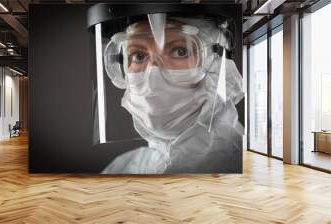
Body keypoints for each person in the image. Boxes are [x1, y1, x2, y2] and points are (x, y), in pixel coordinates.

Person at [100, 13, 244, 174]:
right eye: (138, 55)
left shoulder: (246, 169)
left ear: (219, 64)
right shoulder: (122, 168)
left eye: (180, 51)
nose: (153, 76)